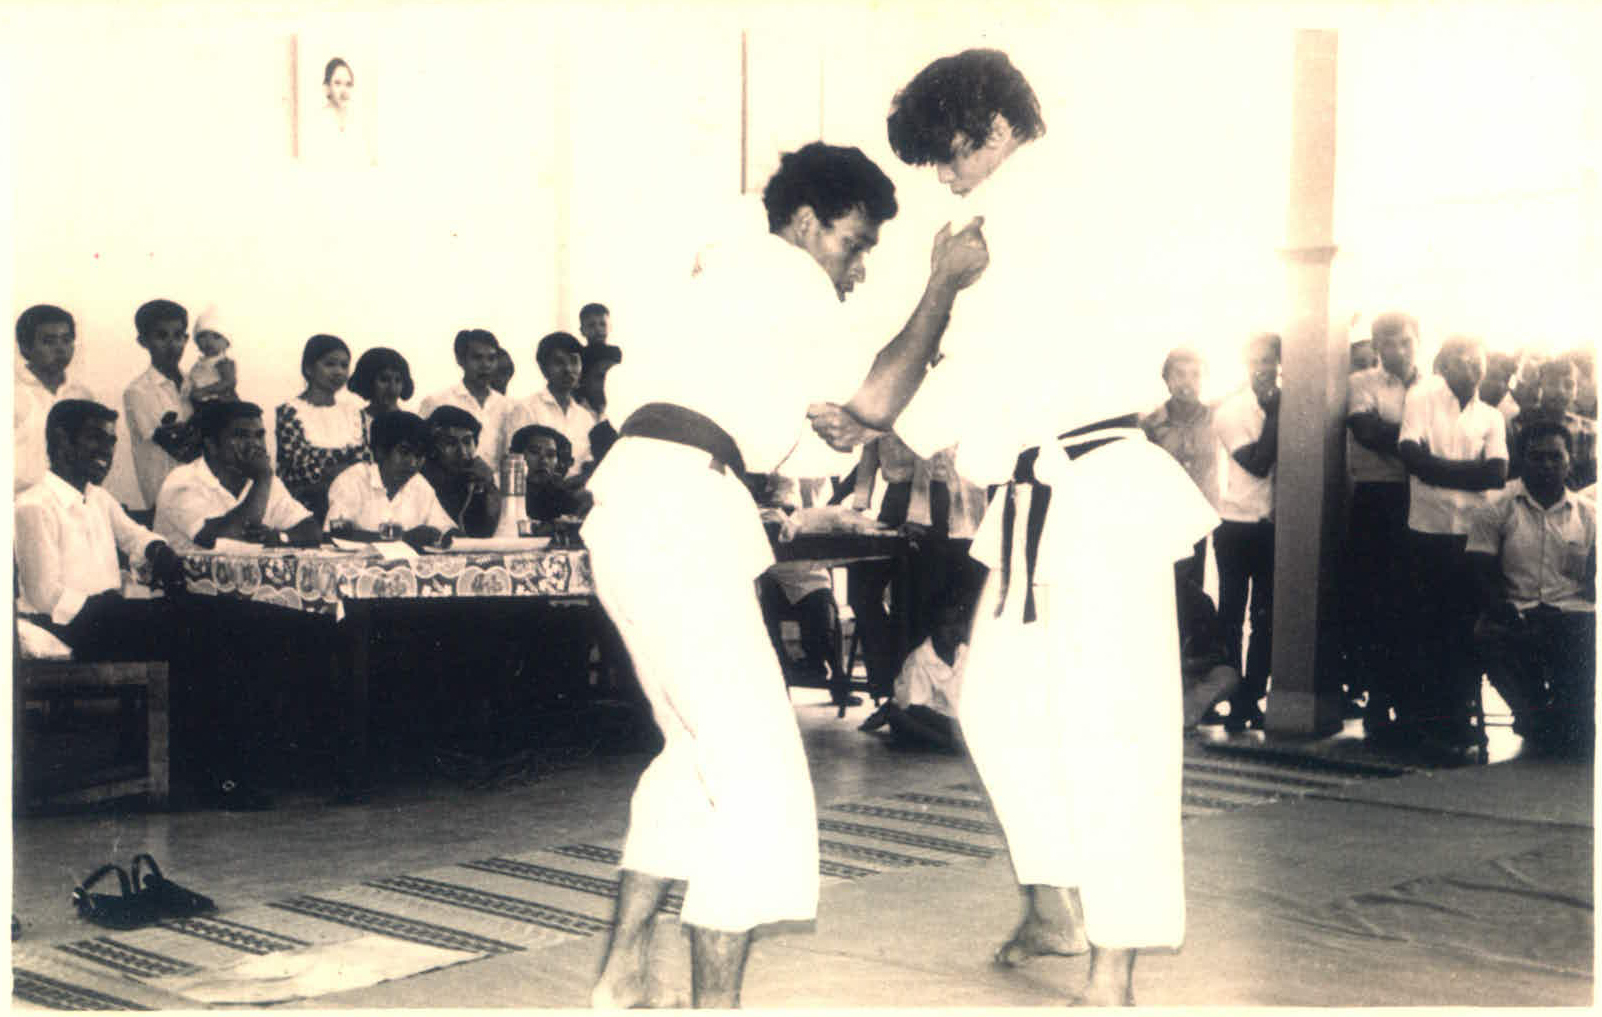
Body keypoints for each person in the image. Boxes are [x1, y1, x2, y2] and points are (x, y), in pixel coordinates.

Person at [809, 49, 1219, 1007]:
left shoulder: (1055, 207)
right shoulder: (1000, 223)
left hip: (1099, 493)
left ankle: (1115, 958)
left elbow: (991, 364)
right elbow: (983, 368)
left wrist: (878, 419)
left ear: (992, 131)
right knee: (992, 702)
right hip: (1037, 501)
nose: (944, 178)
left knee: (1115, 727)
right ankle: (1055, 903)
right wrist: (881, 422)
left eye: (948, 156)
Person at [583, 140, 987, 1008]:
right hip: (681, 513)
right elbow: (874, 401)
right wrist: (941, 287)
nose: (857, 266)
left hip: (639, 505)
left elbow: (824, 433)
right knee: (762, 779)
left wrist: (854, 427)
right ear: (805, 223)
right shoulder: (788, 276)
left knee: (697, 751)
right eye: (853, 243)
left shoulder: (721, 278)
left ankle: (622, 972)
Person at [1396, 334, 1508, 763]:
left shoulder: (1492, 416)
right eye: (1461, 360)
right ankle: (1430, 725)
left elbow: (1495, 474)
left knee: (1464, 631)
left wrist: (1435, 471)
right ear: (1443, 365)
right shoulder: (1421, 398)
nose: (1472, 367)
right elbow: (1410, 457)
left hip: (1473, 537)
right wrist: (1468, 473)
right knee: (1428, 631)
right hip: (1427, 532)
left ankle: (1461, 721)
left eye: (1477, 359)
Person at [15, 400, 185, 658]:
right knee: (183, 627)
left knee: (195, 617)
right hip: (61, 625)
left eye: (111, 441)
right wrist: (107, 608)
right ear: (62, 441)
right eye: (95, 438)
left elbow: (134, 535)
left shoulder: (99, 497)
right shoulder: (33, 505)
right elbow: (44, 596)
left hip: (104, 617)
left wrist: (156, 548)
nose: (107, 451)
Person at [1468, 419, 1595, 757]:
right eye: (1537, 457)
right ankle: (1532, 714)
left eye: (1555, 457)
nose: (1547, 465)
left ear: (1570, 461)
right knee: (1489, 636)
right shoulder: (1495, 507)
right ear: (1521, 460)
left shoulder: (1590, 514)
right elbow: (1479, 571)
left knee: (1579, 734)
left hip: (1573, 616)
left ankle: (1562, 718)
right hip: (1518, 613)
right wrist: (1500, 608)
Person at [1343, 312, 1422, 740]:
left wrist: (1404, 438)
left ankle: (1412, 703)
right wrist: (1418, 439)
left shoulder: (1435, 388)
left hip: (1422, 498)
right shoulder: (1362, 384)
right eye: (1388, 344)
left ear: (1418, 340)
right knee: (1374, 601)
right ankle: (1378, 699)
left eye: (1405, 341)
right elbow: (1367, 432)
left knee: (1414, 602)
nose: (1398, 351)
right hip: (1377, 500)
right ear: (1377, 347)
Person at [1212, 332, 1281, 733]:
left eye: (1270, 360)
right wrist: (1275, 415)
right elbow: (1257, 463)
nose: (1263, 369)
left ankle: (1251, 696)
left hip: (1274, 526)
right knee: (1232, 615)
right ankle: (1232, 694)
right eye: (1256, 361)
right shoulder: (1232, 411)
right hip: (1235, 524)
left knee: (1266, 617)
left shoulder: (1293, 405)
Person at [154, 400, 321, 551]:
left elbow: (311, 530)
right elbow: (220, 539)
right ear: (211, 445)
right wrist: (262, 480)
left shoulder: (265, 479)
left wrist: (279, 538)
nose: (255, 444)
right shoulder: (183, 481)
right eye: (241, 436)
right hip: (187, 576)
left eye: (259, 435)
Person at [1139, 346, 1219, 590]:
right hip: (1166, 518)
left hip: (1201, 518)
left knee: (1195, 588)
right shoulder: (1150, 424)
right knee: (1168, 590)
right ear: (1167, 379)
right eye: (1180, 374)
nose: (1187, 382)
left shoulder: (1216, 417)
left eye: (1195, 375)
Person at [326, 410, 457, 548]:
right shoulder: (352, 481)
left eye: (419, 455)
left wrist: (448, 535)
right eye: (404, 452)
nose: (412, 463)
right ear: (380, 451)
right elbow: (335, 535)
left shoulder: (420, 485)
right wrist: (402, 538)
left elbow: (447, 530)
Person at [857, 593, 969, 752]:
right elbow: (917, 709)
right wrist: (953, 727)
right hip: (922, 714)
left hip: (953, 717)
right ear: (932, 628)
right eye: (946, 624)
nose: (954, 630)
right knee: (910, 725)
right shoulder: (920, 660)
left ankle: (954, 740)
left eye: (958, 622)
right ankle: (893, 714)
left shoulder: (967, 654)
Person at [275, 334, 368, 520]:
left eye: (344, 365)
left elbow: (364, 464)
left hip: (351, 503)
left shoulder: (354, 414)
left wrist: (333, 470)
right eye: (330, 364)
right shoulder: (291, 411)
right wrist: (344, 468)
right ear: (309, 368)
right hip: (305, 506)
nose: (338, 372)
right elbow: (302, 470)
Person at [14, 304, 95, 492]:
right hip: (19, 499)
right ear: (25, 347)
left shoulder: (81, 395)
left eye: (66, 340)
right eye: (49, 342)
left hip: (70, 498)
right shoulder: (13, 394)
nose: (60, 349)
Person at [123, 299, 194, 507]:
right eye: (162, 336)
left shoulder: (195, 385)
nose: (172, 345)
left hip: (205, 497)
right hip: (166, 503)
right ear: (143, 341)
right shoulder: (138, 392)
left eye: (178, 336)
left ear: (186, 339)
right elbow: (181, 450)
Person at [501, 331, 598, 480]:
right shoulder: (526, 409)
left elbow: (588, 465)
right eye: (559, 362)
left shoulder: (585, 418)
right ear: (543, 368)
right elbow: (515, 463)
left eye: (574, 361)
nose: (568, 369)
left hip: (577, 492)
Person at [418, 328, 511, 475]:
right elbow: (421, 451)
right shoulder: (437, 401)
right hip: (446, 484)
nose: (485, 365)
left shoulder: (508, 407)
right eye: (477, 358)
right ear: (460, 360)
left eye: (491, 359)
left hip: (493, 485)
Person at [420, 405, 501, 537]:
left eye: (467, 442)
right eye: (451, 443)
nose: (462, 452)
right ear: (433, 447)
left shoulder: (477, 475)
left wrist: (485, 489)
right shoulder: (423, 479)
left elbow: (486, 531)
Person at [508, 423, 592, 522]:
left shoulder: (563, 497)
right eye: (535, 452)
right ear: (515, 455)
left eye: (551, 455)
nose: (544, 460)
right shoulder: (500, 492)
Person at [348, 346, 415, 447]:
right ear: (367, 382)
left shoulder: (412, 424)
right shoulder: (352, 424)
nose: (392, 388)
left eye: (398, 380)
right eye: (384, 379)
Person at [181, 307, 239, 410]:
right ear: (196, 341)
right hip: (202, 405)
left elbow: (229, 382)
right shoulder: (198, 365)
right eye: (203, 336)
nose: (209, 341)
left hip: (222, 403)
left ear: (226, 343)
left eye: (216, 337)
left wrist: (205, 391)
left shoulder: (223, 362)